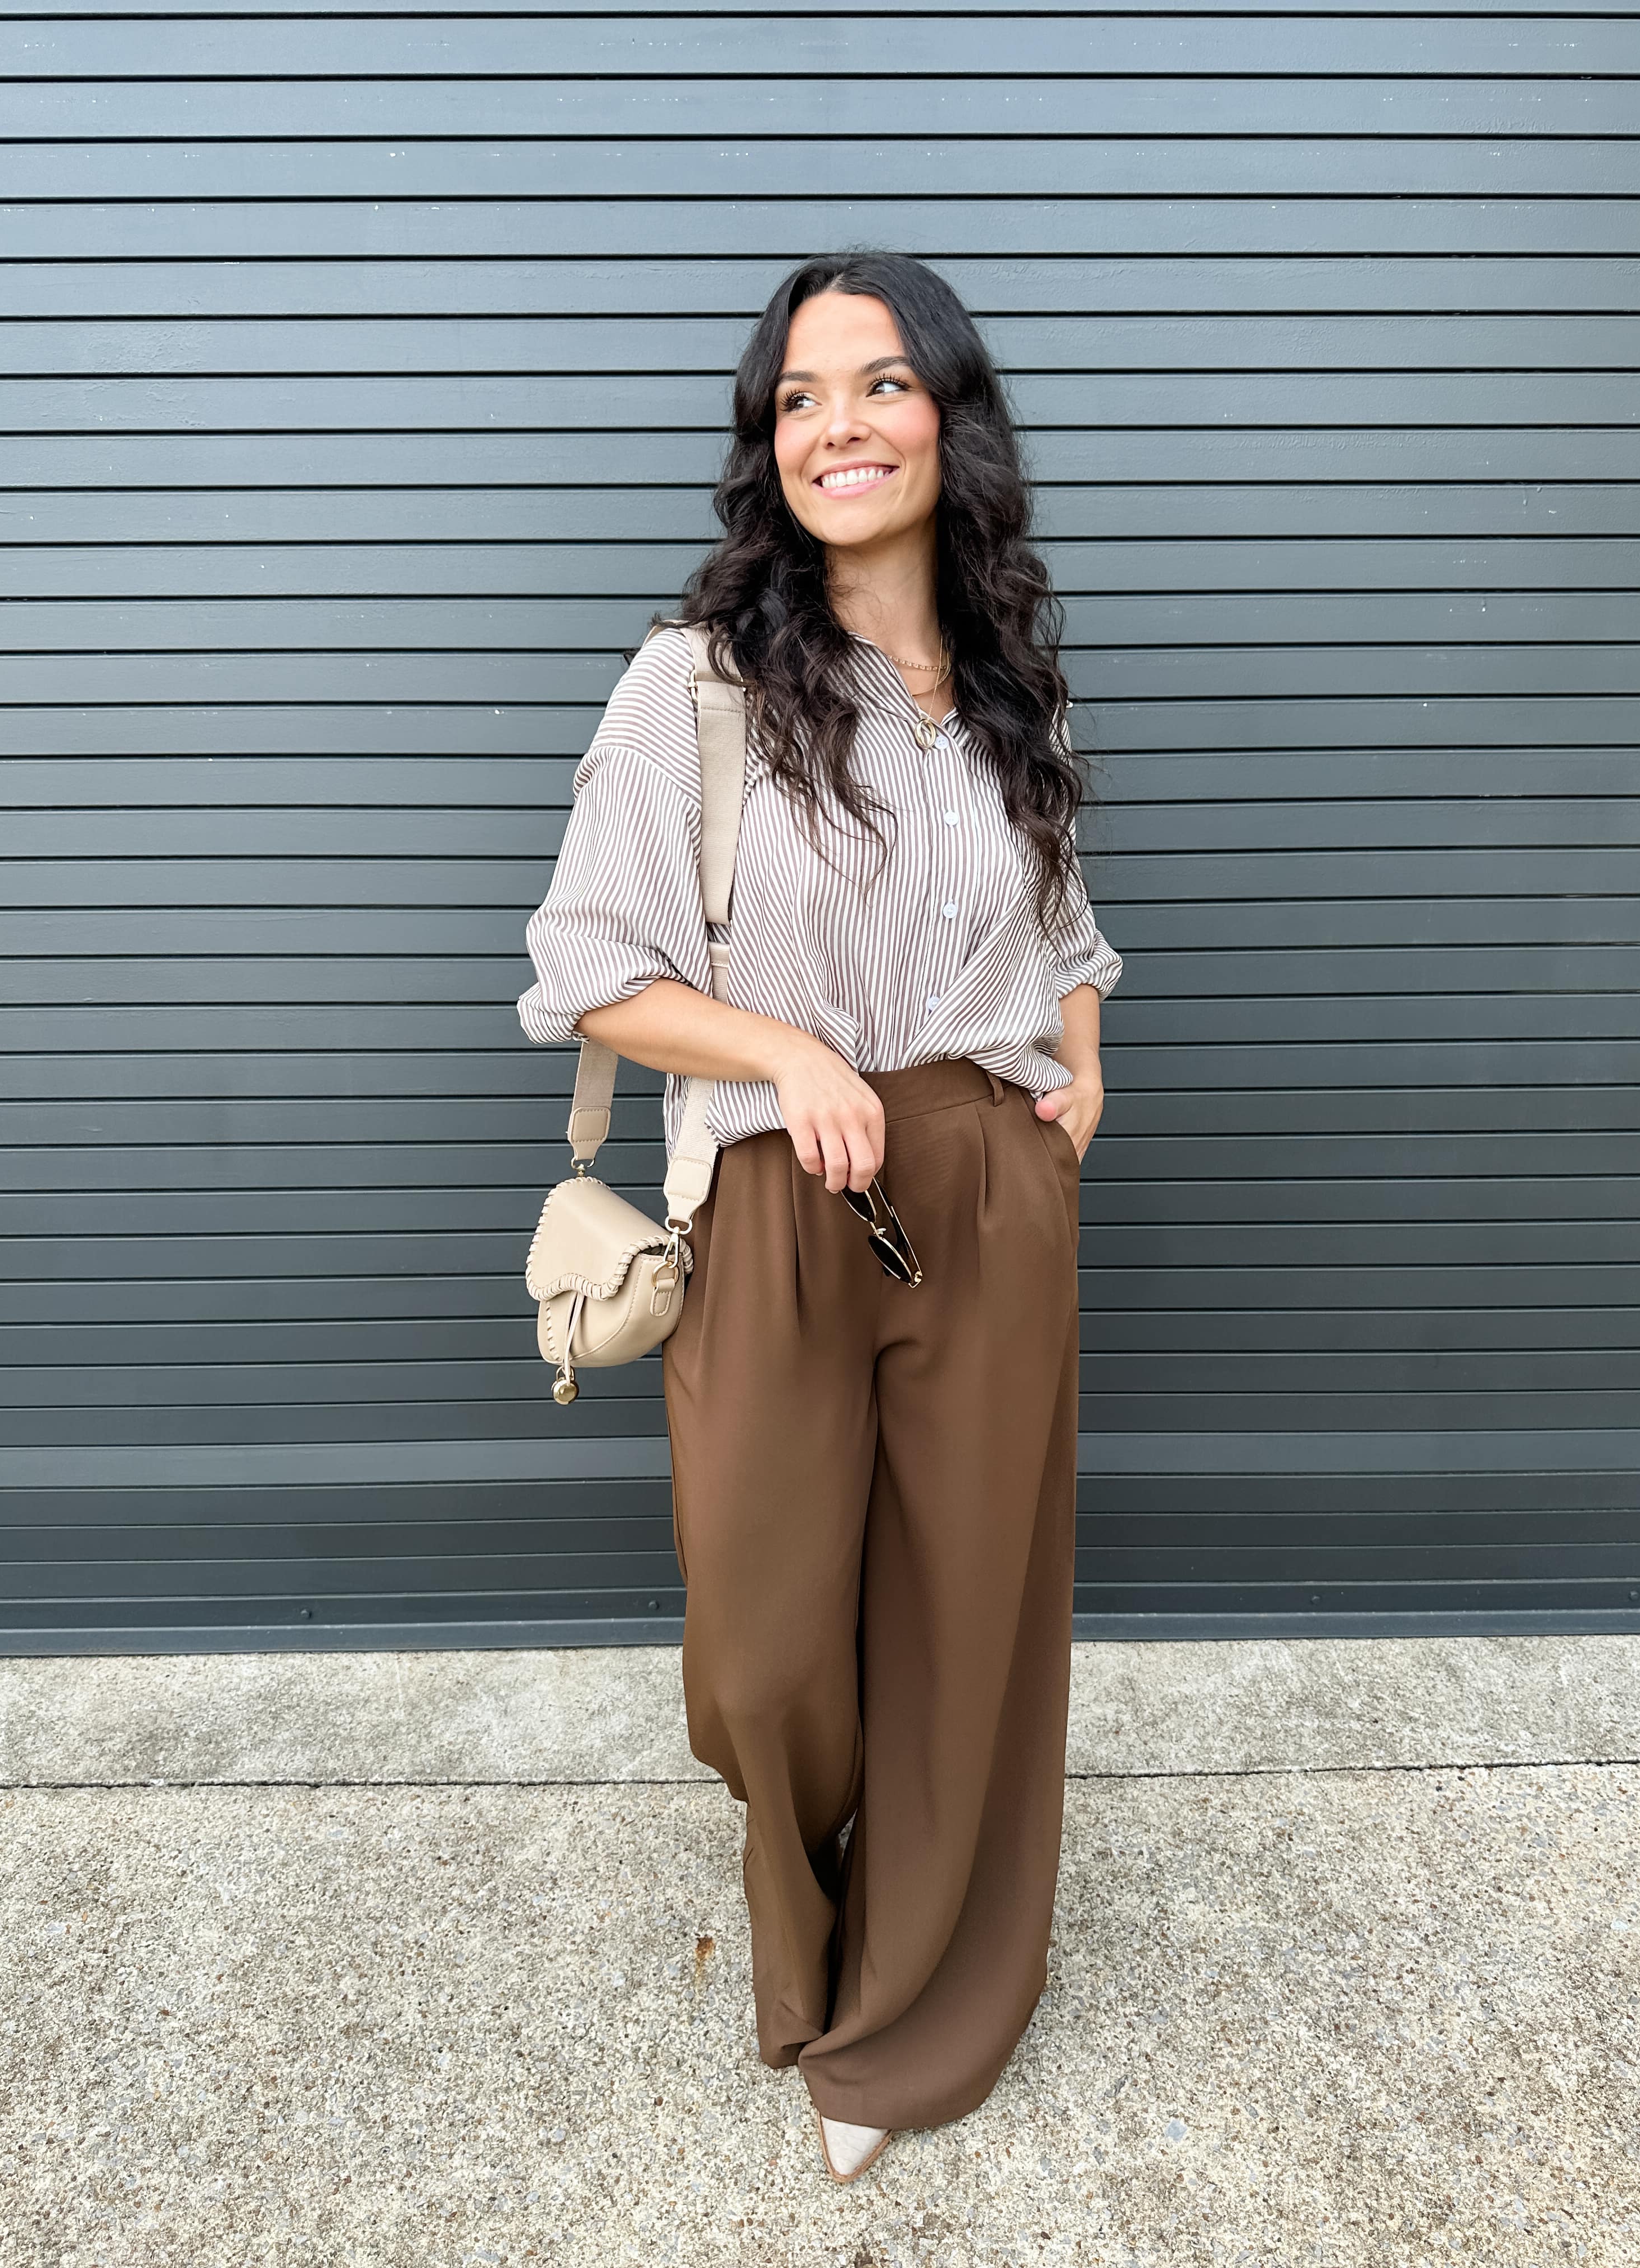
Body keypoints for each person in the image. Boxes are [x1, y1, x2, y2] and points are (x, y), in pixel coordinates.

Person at [517, 250, 1122, 2184]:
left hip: (991, 1187)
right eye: (797, 397)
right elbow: (584, 967)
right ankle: (815, 1904)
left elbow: (1061, 921)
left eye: (876, 386)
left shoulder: (1006, 679)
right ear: (766, 443)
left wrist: (1079, 1063)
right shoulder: (694, 680)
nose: (835, 425)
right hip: (780, 1198)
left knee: (968, 1617)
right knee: (768, 1654)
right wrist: (787, 1050)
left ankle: (908, 2013)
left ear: (951, 420)